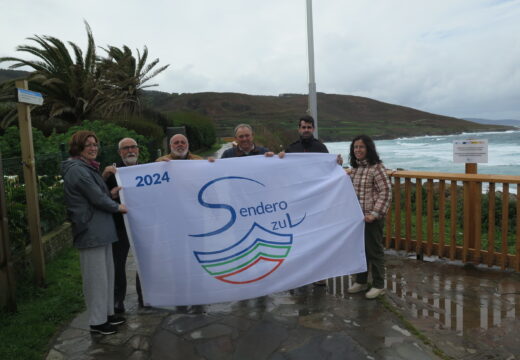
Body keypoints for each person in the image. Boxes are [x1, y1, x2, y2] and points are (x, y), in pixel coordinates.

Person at [61, 130, 127, 335]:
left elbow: (99, 194)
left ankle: (108, 314)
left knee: (107, 275)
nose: (93, 148)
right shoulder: (77, 170)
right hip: (91, 231)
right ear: (78, 147)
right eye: (88, 144)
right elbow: (95, 198)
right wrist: (118, 207)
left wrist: (112, 194)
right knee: (96, 279)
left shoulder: (87, 168)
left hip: (102, 230)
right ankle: (97, 322)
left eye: (95, 144)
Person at [346, 134, 392, 299]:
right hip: (357, 219)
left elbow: (385, 192)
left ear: (369, 149)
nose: (358, 150)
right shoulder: (356, 169)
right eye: (356, 147)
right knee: (360, 250)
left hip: (372, 218)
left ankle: (379, 285)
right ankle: (361, 281)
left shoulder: (377, 168)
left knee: (374, 251)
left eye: (361, 147)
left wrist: (374, 214)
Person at [103, 137, 144, 312]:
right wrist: (107, 186)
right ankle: (118, 300)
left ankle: (146, 297)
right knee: (118, 264)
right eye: (126, 148)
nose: (130, 151)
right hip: (120, 225)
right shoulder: (112, 173)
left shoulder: (146, 169)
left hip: (143, 225)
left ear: (138, 150)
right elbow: (99, 196)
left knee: (145, 262)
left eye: (133, 147)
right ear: (120, 153)